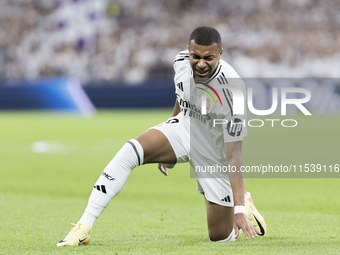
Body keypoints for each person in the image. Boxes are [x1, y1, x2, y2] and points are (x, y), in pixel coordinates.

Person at [57, 26, 267, 246]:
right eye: (195, 56)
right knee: (130, 151)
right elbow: (183, 95)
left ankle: (242, 200)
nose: (201, 63)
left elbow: (234, 155)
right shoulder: (180, 62)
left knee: (219, 237)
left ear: (220, 54)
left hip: (214, 150)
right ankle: (84, 227)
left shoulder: (233, 90)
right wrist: (169, 136)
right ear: (188, 51)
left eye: (209, 58)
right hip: (186, 125)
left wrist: (239, 210)